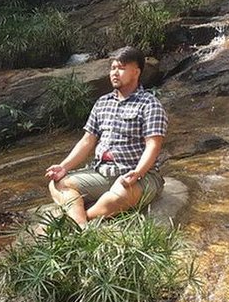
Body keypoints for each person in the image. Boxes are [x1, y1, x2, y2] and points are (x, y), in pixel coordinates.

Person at [45, 46, 168, 226]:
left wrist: (138, 172)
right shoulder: (102, 103)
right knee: (58, 184)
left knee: (116, 196)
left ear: (136, 72)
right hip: (102, 172)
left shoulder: (150, 104)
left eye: (121, 68)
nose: (115, 73)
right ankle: (82, 226)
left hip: (140, 175)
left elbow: (153, 146)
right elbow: (87, 141)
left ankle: (80, 216)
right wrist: (63, 167)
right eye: (113, 68)